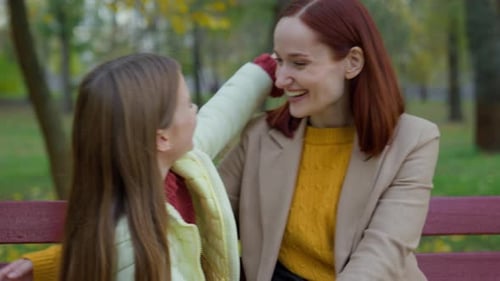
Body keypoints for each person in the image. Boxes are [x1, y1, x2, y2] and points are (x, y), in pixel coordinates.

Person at [0, 53, 276, 281]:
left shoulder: (171, 165)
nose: (196, 111)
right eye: (188, 104)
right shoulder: (134, 247)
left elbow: (221, 115)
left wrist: (266, 70)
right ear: (162, 137)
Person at [218, 0, 440, 280]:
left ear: (352, 62)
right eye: (279, 61)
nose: (282, 79)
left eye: (299, 63)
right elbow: (206, 216)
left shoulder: (414, 141)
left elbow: (381, 254)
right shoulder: (259, 136)